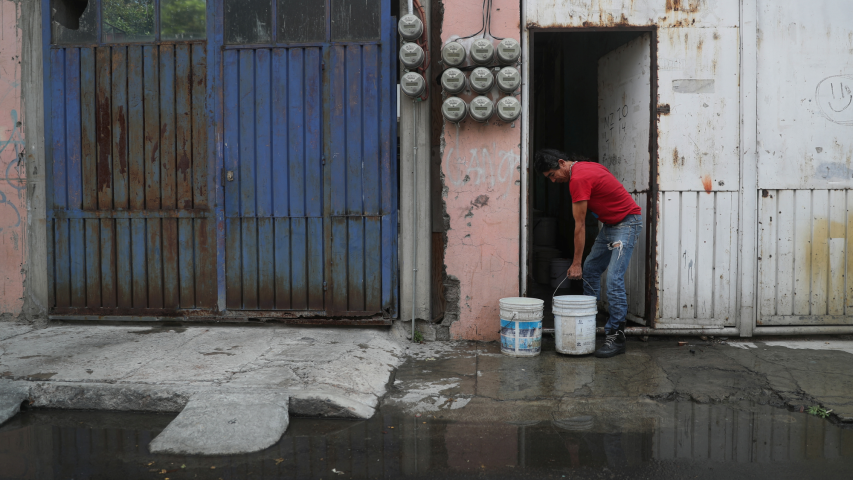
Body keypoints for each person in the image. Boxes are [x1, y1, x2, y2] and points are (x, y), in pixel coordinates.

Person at [533, 149, 642, 358]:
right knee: (591, 268)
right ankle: (589, 321)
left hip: (626, 224)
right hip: (611, 225)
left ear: (562, 163)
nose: (553, 181)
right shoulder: (583, 167)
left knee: (614, 279)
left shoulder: (578, 179)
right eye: (549, 179)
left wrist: (575, 263)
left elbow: (580, 225)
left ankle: (616, 336)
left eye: (552, 175)